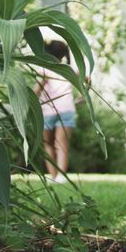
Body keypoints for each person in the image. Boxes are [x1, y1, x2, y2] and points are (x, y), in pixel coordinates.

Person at [33, 40, 76, 182]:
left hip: (48, 110)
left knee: (48, 144)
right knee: (61, 144)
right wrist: (81, 99)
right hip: (67, 108)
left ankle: (53, 176)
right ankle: (61, 177)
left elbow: (36, 92)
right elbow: (86, 80)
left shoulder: (44, 69)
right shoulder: (68, 70)